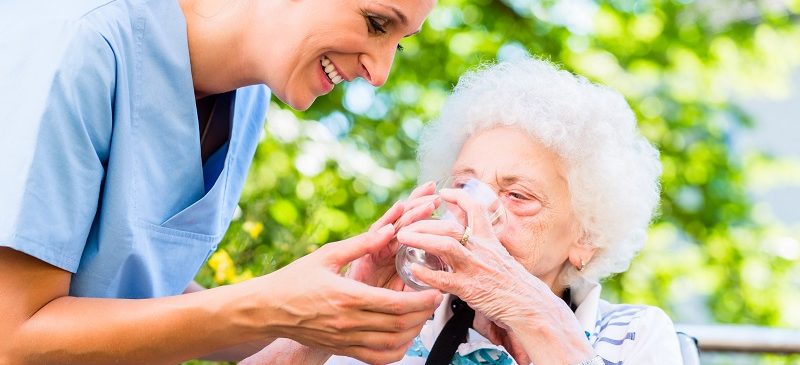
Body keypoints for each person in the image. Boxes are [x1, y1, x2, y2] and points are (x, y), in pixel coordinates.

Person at [0, 0, 442, 364]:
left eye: (399, 46)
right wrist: (271, 305)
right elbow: (12, 336)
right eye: (376, 22)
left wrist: (333, 306)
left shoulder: (248, 99)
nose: (380, 73)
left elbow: (136, 287)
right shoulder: (82, 39)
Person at [245, 56, 683, 364]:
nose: (475, 211)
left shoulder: (634, 336)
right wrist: (351, 300)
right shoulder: (406, 325)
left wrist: (524, 308)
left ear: (585, 238)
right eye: (464, 186)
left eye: (518, 196)